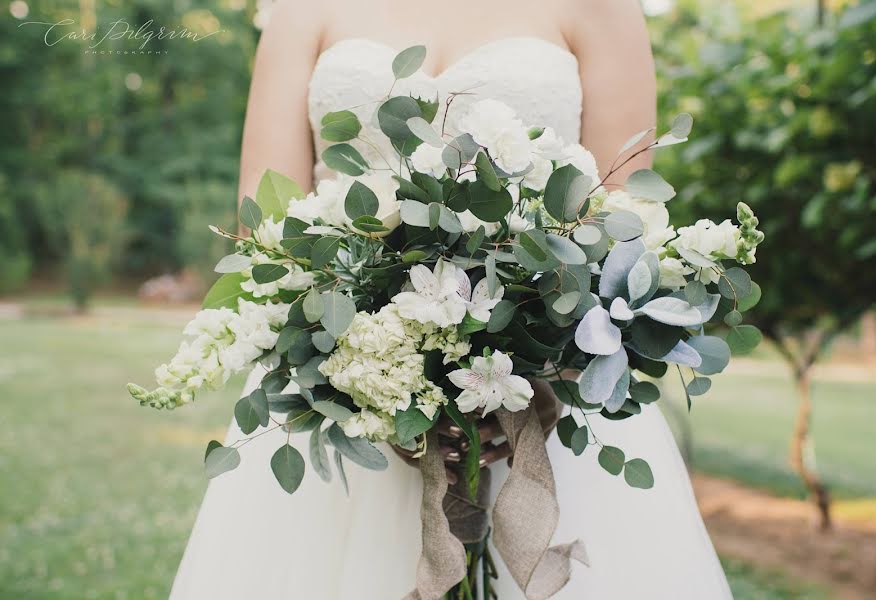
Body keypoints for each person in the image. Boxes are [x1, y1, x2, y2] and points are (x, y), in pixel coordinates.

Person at [170, 0, 733, 597]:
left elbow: (623, 216)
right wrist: (370, 375)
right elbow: (266, 222)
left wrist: (537, 369)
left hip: (553, 388)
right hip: (339, 388)